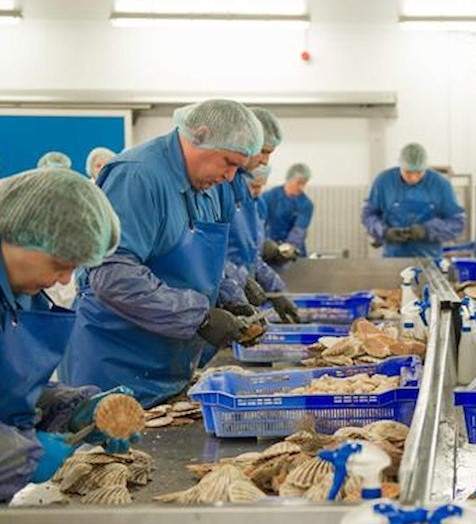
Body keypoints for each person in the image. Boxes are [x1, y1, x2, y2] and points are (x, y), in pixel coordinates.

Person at [58, 99, 266, 409]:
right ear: (200, 135)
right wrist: (200, 317)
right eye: (227, 162)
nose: (230, 176)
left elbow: (209, 261)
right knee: (102, 456)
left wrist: (229, 297)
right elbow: (113, 275)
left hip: (171, 363)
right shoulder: (138, 177)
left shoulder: (215, 184)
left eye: (239, 166)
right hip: (114, 364)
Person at [0, 169, 123, 502]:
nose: (66, 280)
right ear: (21, 233)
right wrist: (24, 456)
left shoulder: (10, 273)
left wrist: (72, 408)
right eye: (59, 263)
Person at [218, 107, 299, 324]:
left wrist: (276, 291)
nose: (265, 161)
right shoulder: (216, 188)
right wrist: (239, 284)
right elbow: (211, 256)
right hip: (219, 300)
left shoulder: (244, 198)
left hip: (235, 296)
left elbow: (251, 255)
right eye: (263, 151)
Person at [362, 142, 465, 258]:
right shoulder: (384, 182)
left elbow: (457, 222)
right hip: (392, 258)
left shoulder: (441, 185)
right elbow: (369, 214)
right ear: (400, 166)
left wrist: (426, 230)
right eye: (408, 172)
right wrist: (385, 232)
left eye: (419, 172)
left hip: (430, 258)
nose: (413, 178)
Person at [262, 162, 315, 257]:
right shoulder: (269, 197)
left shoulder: (306, 204)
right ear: (289, 179)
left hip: (293, 251)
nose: (301, 187)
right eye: (299, 183)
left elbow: (298, 231)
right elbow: (260, 223)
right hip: (270, 247)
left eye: (304, 184)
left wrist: (288, 250)